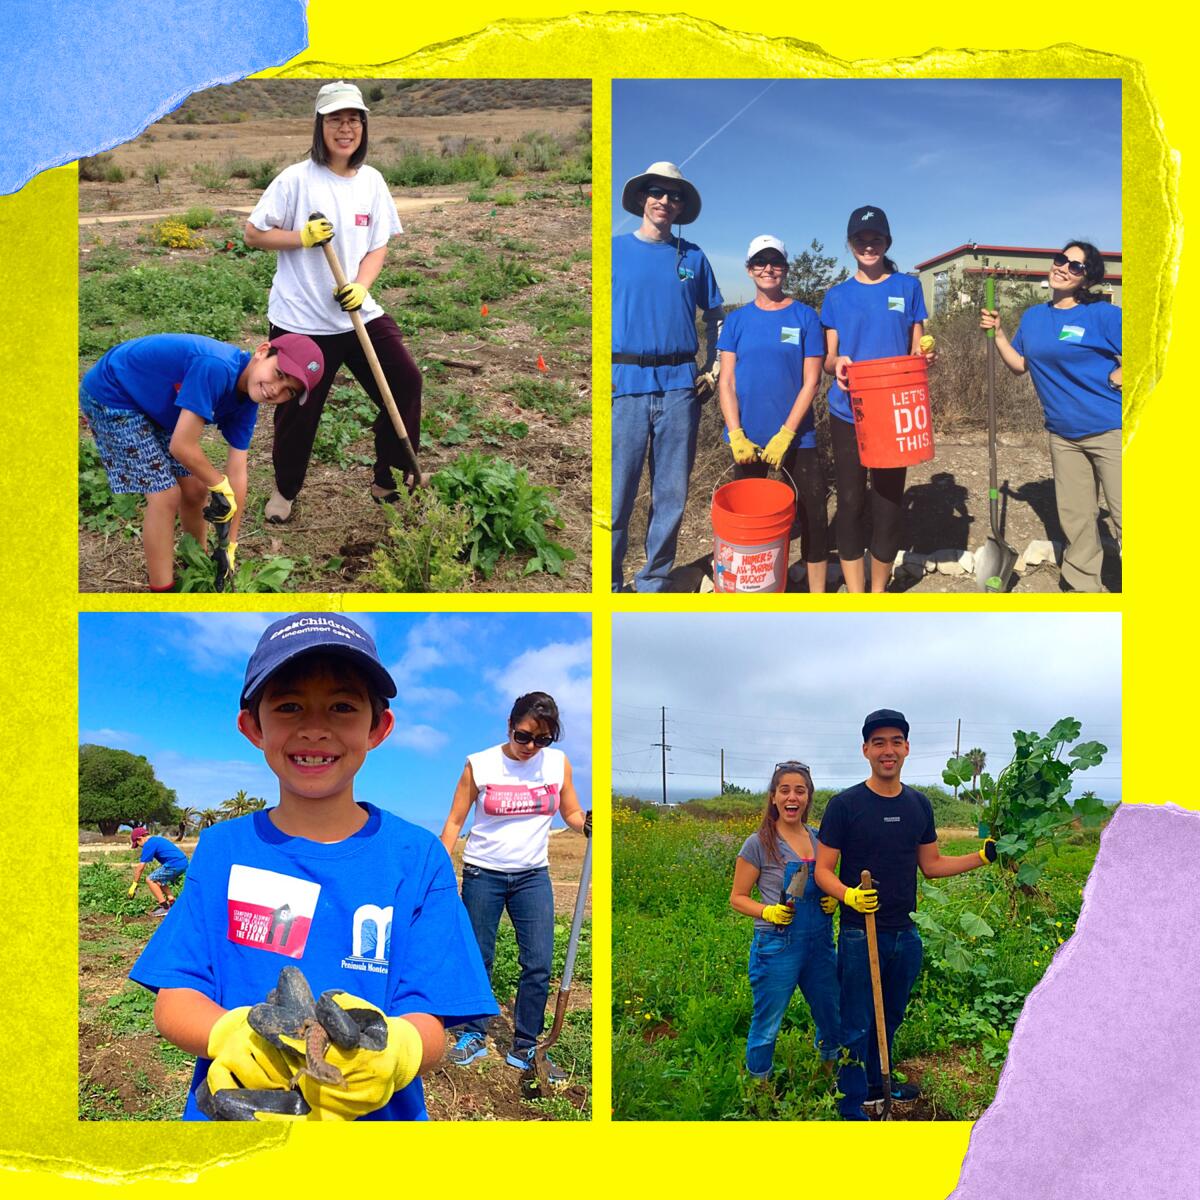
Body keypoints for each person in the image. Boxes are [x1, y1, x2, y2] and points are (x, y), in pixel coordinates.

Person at [129, 614, 497, 1121]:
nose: (315, 728)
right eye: (289, 705)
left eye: (343, 706)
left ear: (378, 727)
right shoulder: (222, 850)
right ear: (253, 727)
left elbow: (431, 1018)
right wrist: (229, 1034)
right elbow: (175, 998)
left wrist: (400, 1050)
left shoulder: (417, 858)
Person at [244, 81, 423, 522]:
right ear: (320, 125)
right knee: (296, 412)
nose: (346, 128)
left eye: (354, 119)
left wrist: (361, 285)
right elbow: (253, 233)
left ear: (364, 126)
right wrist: (300, 238)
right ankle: (285, 491)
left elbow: (377, 245)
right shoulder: (296, 178)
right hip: (302, 321)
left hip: (356, 314)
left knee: (404, 384)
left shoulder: (373, 182)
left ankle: (390, 480)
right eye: (336, 119)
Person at [814, 709, 998, 1120]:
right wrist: (849, 896)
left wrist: (981, 857)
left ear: (907, 748)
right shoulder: (845, 805)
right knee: (857, 1020)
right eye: (878, 742)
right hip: (862, 933)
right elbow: (822, 870)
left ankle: (881, 1081)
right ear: (865, 750)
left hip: (906, 932)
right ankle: (852, 1099)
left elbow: (931, 865)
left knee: (891, 1015)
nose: (888, 750)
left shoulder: (918, 805)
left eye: (896, 741)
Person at [79, 332, 322, 591]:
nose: (276, 390)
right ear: (262, 351)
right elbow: (182, 446)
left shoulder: (248, 401)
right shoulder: (216, 367)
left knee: (195, 490)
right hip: (114, 393)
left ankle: (196, 562)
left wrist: (230, 545)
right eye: (280, 375)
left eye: (289, 391)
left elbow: (237, 472)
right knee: (165, 495)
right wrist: (218, 483)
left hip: (155, 402)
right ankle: (163, 592)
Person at [439, 691, 590, 1082]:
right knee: (479, 955)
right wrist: (439, 867)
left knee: (538, 962)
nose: (530, 747)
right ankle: (473, 1032)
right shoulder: (481, 764)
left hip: (532, 875)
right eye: (523, 737)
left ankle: (526, 1042)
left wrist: (585, 821)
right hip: (482, 873)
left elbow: (570, 811)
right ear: (509, 727)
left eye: (542, 740)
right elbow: (456, 821)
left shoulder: (557, 764)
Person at [981, 242, 1122, 592]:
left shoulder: (1102, 315)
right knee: (1076, 519)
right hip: (1063, 434)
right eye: (1062, 260)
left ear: (1087, 279)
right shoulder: (1034, 317)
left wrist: (1119, 375)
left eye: (1076, 267)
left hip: (1112, 429)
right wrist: (998, 334)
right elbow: (1020, 366)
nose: (1063, 268)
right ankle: (1080, 585)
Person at [611, 161, 724, 592]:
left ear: (681, 206)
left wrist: (712, 370)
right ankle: (610, 585)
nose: (665, 201)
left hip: (681, 387)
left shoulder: (692, 257)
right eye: (657, 192)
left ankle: (653, 580)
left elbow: (716, 317)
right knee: (616, 496)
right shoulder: (614, 251)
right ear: (642, 198)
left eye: (674, 195)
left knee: (671, 496)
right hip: (624, 386)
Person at [821, 207, 935, 593]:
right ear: (850, 244)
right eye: (861, 239)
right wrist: (837, 363)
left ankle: (878, 592)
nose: (869, 246)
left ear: (887, 242)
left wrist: (925, 358)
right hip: (849, 411)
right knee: (851, 502)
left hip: (894, 413)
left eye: (876, 239)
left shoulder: (908, 287)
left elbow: (917, 348)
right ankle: (856, 593)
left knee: (888, 504)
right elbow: (828, 358)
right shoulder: (836, 296)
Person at [718, 235, 829, 592]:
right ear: (749, 270)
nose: (768, 269)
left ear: (785, 269)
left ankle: (817, 597)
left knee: (813, 516)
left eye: (775, 262)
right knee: (750, 519)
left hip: (799, 437)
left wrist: (787, 434)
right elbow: (727, 383)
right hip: (747, 439)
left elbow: (811, 382)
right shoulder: (736, 321)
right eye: (760, 263)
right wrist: (736, 434)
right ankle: (755, 589)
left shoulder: (805, 317)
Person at [730, 762, 841, 1085]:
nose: (792, 797)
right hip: (777, 945)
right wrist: (767, 912)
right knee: (767, 1025)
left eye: (800, 790)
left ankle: (827, 1079)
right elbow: (738, 897)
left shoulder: (821, 840)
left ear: (808, 798)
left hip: (819, 944)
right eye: (785, 790)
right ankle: (759, 1091)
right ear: (774, 797)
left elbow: (830, 878)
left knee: (830, 1015)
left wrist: (832, 898)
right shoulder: (759, 843)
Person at [128, 826, 188, 916]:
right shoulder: (156, 840)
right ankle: (172, 902)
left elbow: (141, 866)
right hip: (182, 862)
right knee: (159, 881)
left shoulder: (149, 844)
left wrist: (134, 884)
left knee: (150, 879)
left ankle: (164, 907)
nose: (139, 847)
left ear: (140, 838)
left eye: (137, 844)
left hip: (174, 863)